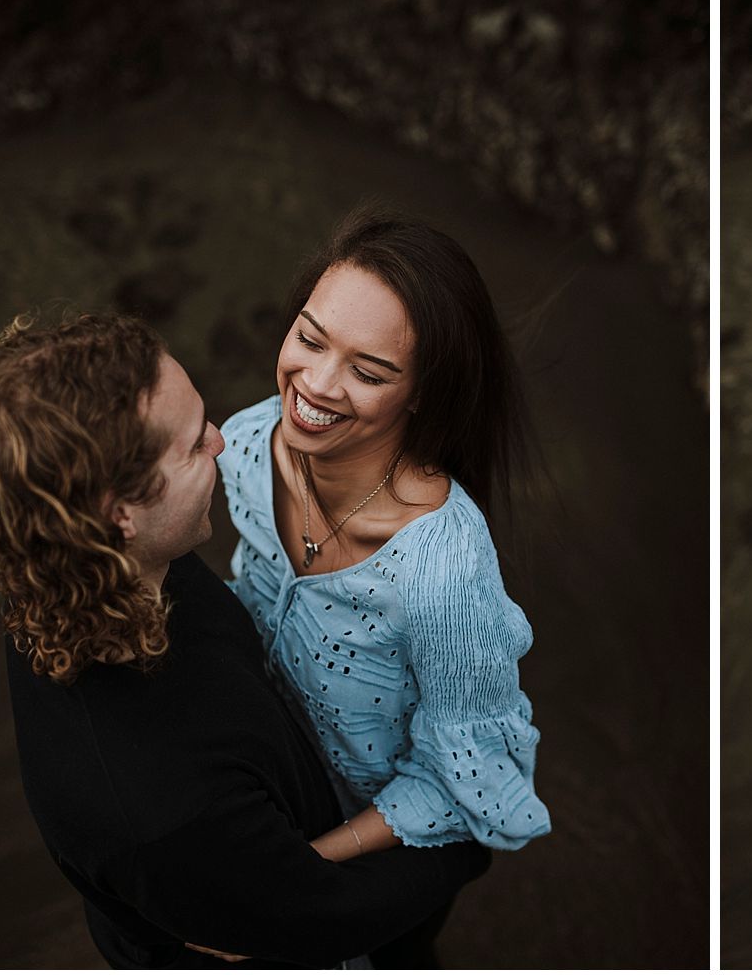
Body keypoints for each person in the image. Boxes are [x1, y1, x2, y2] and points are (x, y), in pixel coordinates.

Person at [0, 312, 490, 968]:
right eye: (191, 444)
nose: (220, 441)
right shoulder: (167, 816)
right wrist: (469, 833)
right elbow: (329, 917)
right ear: (119, 513)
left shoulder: (63, 569)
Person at [216, 208, 549, 886]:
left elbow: (464, 779)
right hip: (268, 790)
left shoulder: (442, 570)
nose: (314, 385)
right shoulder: (248, 444)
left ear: (424, 393)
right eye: (310, 339)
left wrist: (301, 869)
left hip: (386, 850)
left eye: (368, 373)